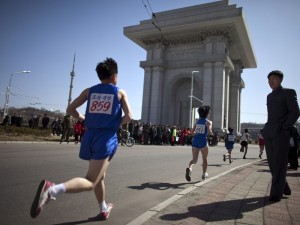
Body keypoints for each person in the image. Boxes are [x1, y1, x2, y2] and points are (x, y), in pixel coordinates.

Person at [30, 58, 132, 220]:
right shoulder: (120, 92)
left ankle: (103, 208)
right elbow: (129, 116)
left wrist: (84, 118)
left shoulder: (88, 91)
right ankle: (52, 190)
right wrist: (113, 123)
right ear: (114, 76)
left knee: (100, 176)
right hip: (105, 137)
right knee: (91, 181)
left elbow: (70, 109)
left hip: (89, 136)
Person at [261, 70, 299, 202]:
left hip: (281, 133)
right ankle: (284, 187)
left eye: (274, 78)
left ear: (280, 80)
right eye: (269, 79)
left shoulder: (289, 92)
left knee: (280, 163)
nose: (271, 81)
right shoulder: (269, 96)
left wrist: (284, 127)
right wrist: (265, 129)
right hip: (269, 132)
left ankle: (276, 194)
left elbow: (295, 112)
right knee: (272, 164)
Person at [185, 106, 213, 182]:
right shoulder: (208, 122)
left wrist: (197, 134)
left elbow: (191, 133)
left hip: (195, 141)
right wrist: (211, 133)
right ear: (207, 114)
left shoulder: (196, 122)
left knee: (194, 160)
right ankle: (204, 174)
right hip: (203, 141)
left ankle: (190, 169)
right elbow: (210, 132)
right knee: (204, 159)